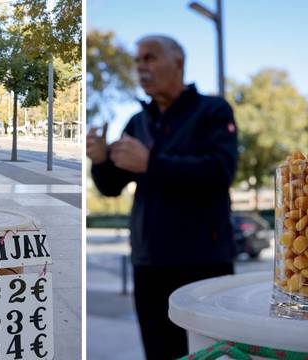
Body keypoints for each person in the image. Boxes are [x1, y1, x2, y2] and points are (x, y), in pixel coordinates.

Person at [87, 35, 238, 360]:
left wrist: (151, 164)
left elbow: (220, 171)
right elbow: (112, 185)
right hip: (150, 263)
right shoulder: (138, 122)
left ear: (178, 63)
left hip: (204, 261)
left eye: (150, 58)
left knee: (211, 353)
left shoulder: (212, 111)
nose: (141, 66)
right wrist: (100, 160)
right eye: (138, 60)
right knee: (159, 351)